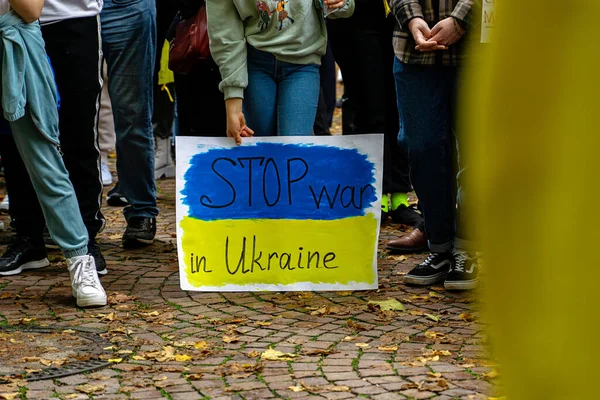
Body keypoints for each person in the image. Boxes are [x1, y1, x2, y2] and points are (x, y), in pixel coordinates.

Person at [0, 0, 106, 306]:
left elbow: (31, 8)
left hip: (17, 39)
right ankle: (32, 241)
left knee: (46, 157)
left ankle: (80, 257)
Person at [390, 0, 478, 290]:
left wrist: (462, 18)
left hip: (479, 48)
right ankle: (439, 247)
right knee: (421, 147)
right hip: (415, 52)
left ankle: (466, 247)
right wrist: (412, 20)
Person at [328, 0, 424, 237]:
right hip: (354, 18)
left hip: (399, 14)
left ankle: (400, 197)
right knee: (368, 108)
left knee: (399, 106)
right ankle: (374, 194)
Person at [206, 0, 355, 143]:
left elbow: (344, 8)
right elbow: (224, 31)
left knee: (294, 149)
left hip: (303, 61)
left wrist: (339, 4)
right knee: (261, 149)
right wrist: (233, 102)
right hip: (254, 61)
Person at [101, 0, 159, 248]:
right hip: (67, 10)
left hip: (126, 6)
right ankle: (75, 216)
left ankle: (142, 212)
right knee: (71, 116)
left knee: (132, 116)